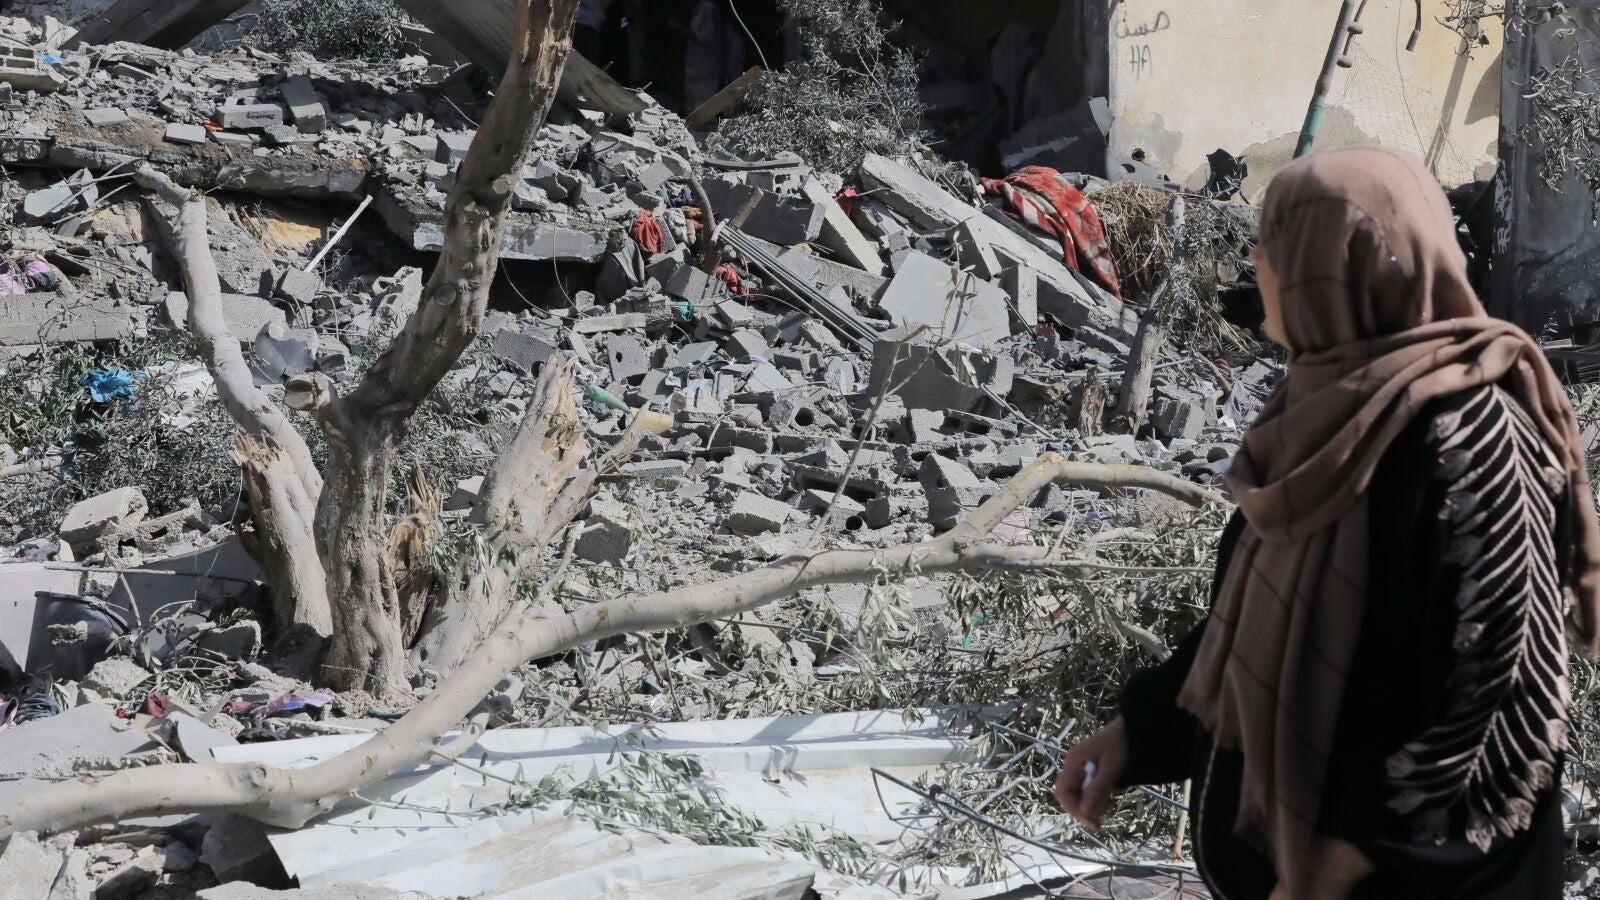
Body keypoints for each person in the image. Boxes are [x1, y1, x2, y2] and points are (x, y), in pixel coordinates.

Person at [1054, 146, 1600, 899]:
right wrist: (1139, 735)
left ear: (1335, 265)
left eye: (1277, 241)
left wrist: (1345, 863)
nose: (1256, 260)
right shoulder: (1324, 408)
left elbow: (1500, 691)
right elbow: (1249, 624)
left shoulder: (1477, 439)